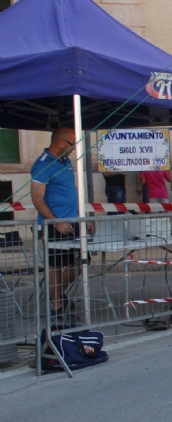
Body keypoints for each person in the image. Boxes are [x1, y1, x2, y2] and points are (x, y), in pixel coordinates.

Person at [30, 127, 93, 323]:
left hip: (73, 221)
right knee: (55, 266)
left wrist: (83, 215)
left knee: (82, 261)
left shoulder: (65, 161)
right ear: (61, 143)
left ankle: (57, 293)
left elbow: (72, 189)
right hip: (55, 224)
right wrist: (55, 223)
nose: (74, 148)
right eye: (72, 144)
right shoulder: (42, 165)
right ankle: (56, 306)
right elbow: (37, 198)